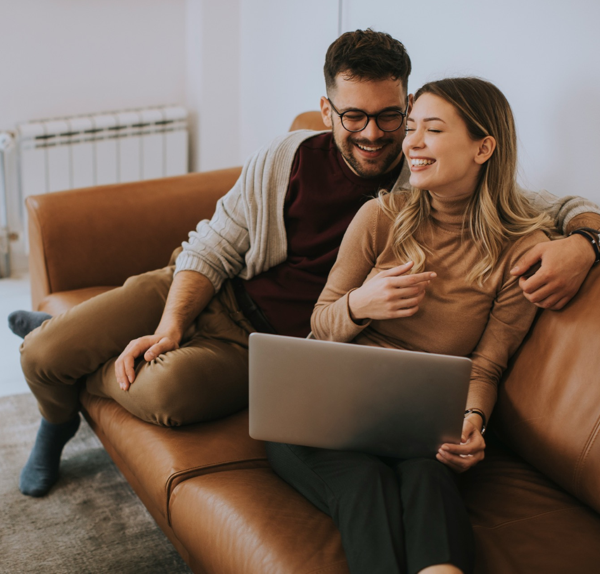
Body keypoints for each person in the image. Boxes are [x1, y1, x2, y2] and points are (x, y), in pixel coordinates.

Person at [11, 30, 600, 498]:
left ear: (408, 106)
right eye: (354, 116)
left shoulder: (426, 173)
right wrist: (170, 324)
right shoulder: (286, 157)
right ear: (326, 109)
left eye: (392, 116)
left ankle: (76, 363)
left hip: (269, 344)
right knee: (39, 356)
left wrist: (585, 245)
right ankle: (58, 404)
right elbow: (215, 243)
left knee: (163, 395)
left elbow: (558, 206)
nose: (376, 135)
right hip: (210, 288)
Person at [266, 77, 561, 574]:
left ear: (483, 147)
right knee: (365, 484)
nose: (412, 143)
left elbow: (486, 365)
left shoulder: (520, 249)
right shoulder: (380, 216)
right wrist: (362, 304)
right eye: (412, 128)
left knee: (430, 475)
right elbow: (321, 326)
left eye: (433, 129)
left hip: (417, 427)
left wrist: (473, 422)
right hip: (323, 413)